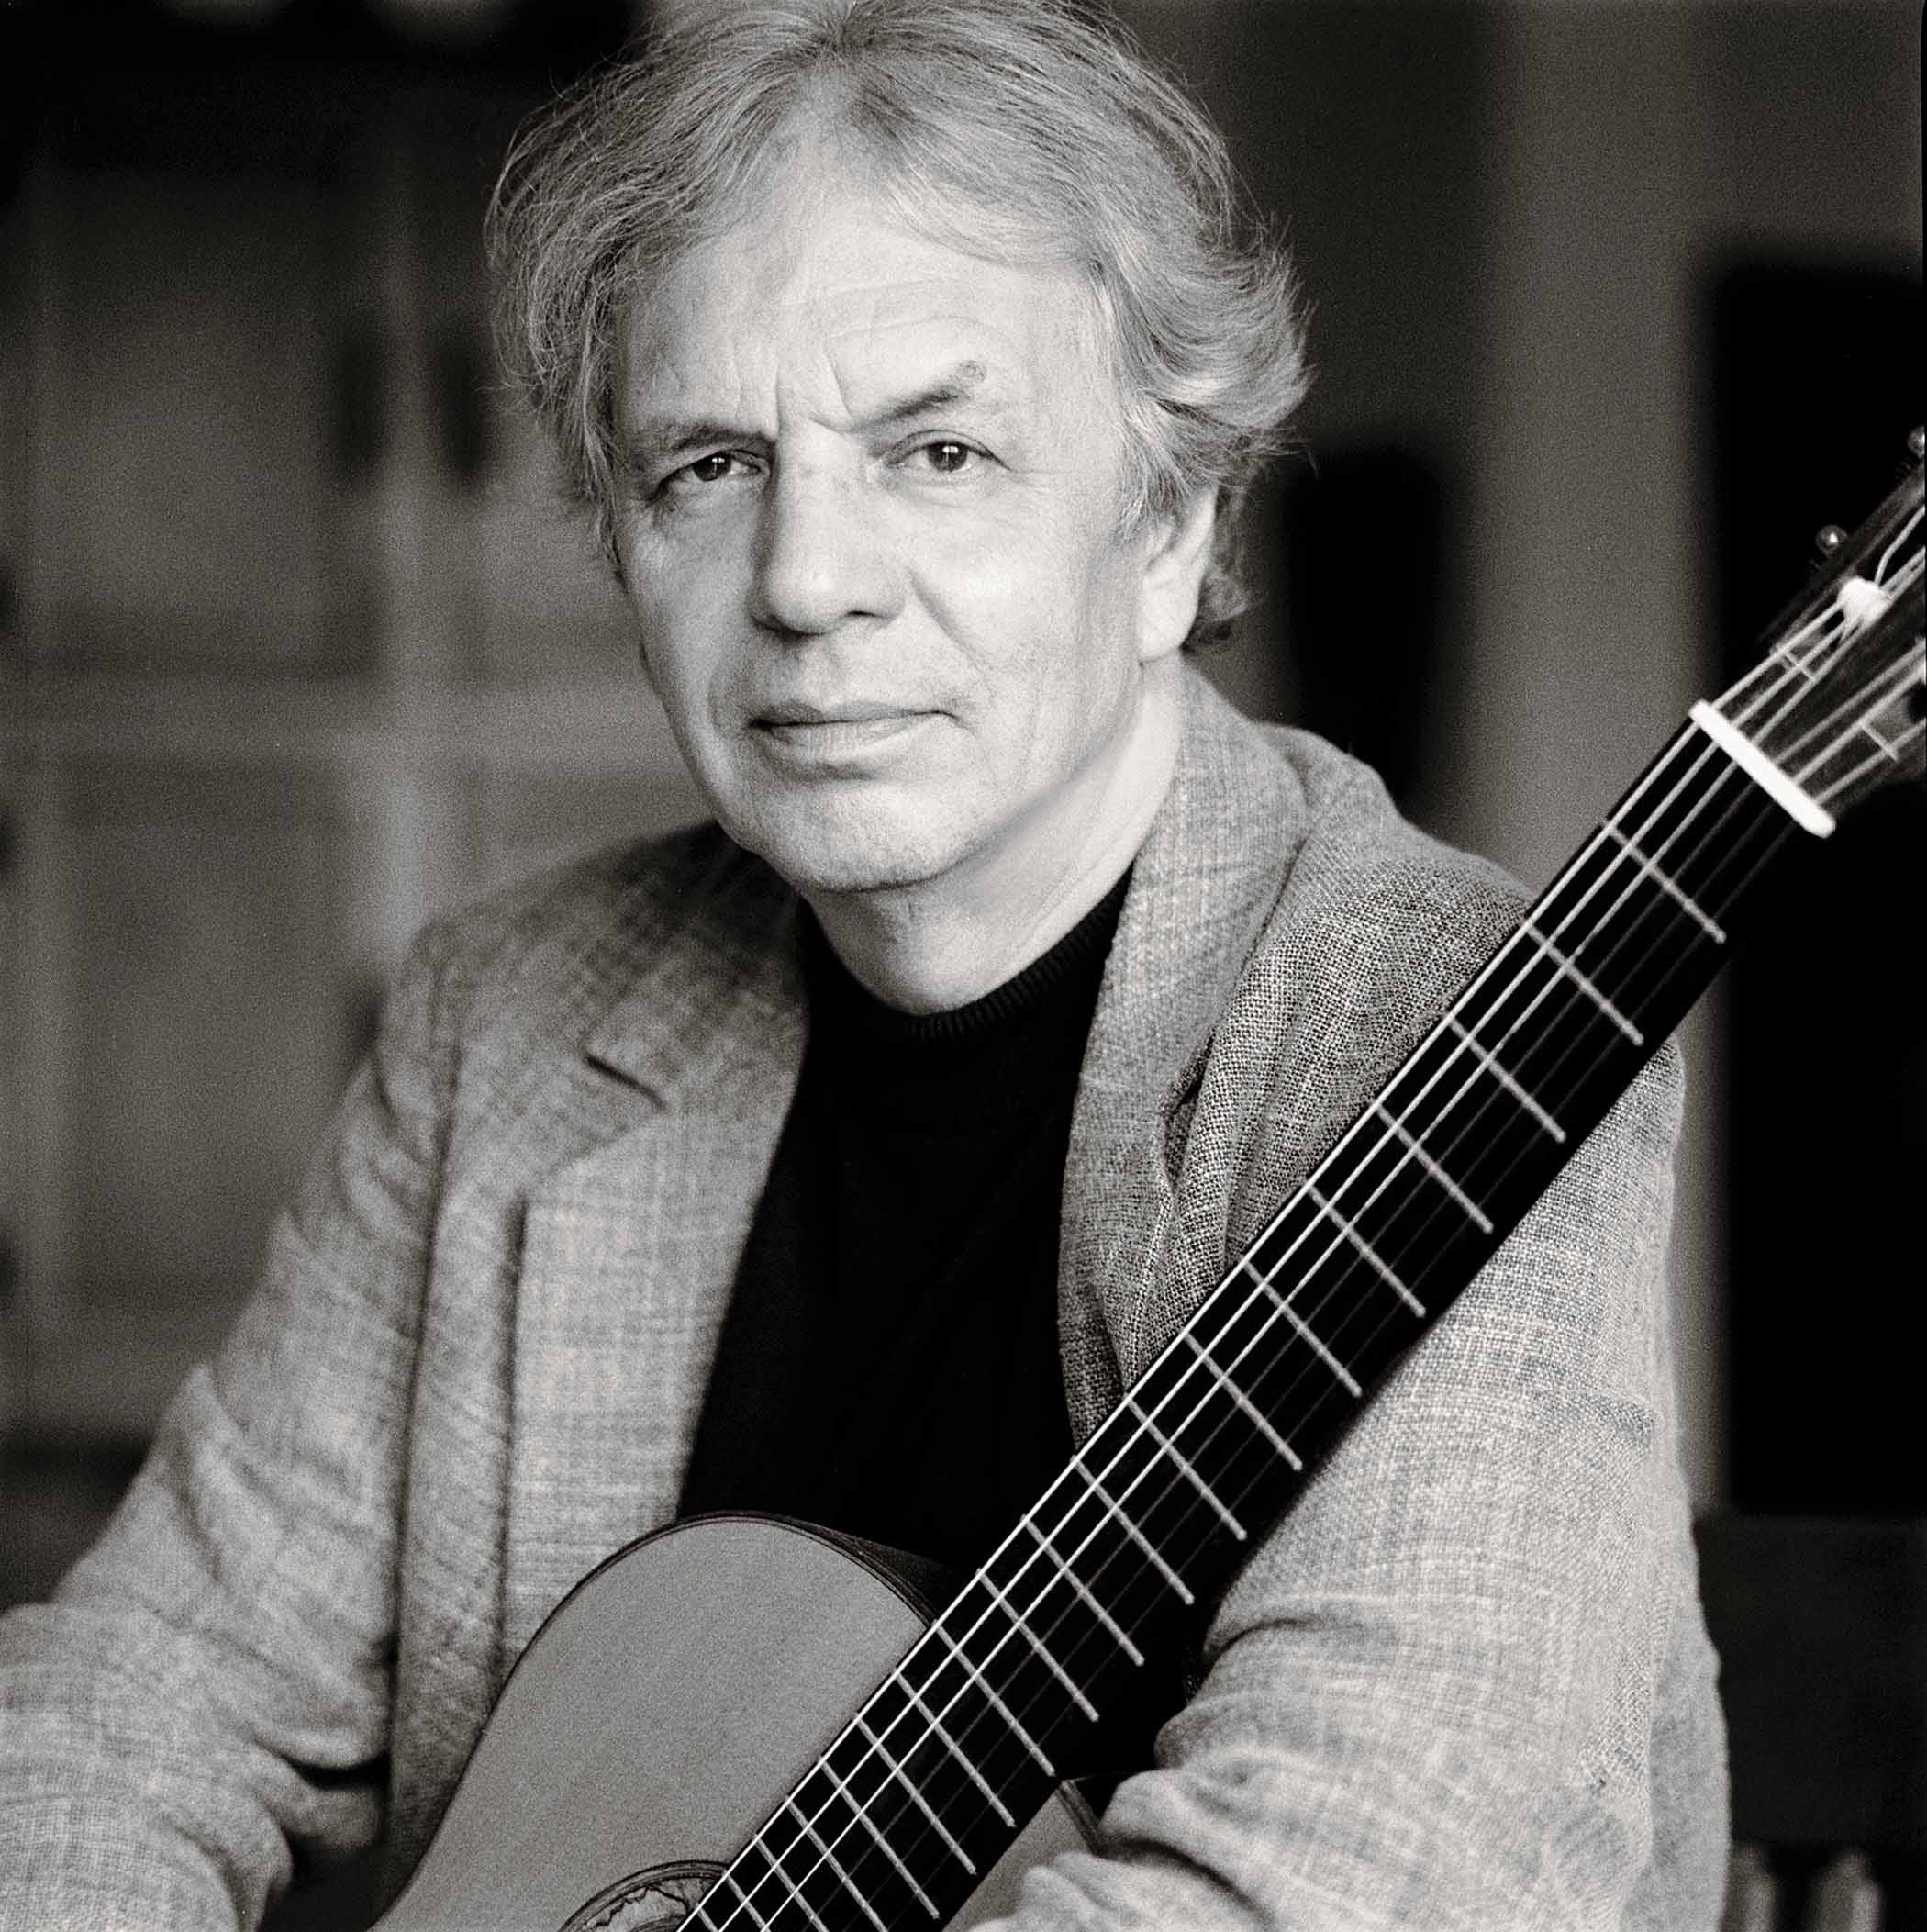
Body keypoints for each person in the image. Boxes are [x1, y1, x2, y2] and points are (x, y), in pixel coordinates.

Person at [0, 2, 1729, 1926]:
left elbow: (1350, 1880)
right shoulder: (514, 1013)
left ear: (1170, 530)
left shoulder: (1466, 1026)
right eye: (709, 467)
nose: (808, 579)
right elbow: (140, 1699)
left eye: (941, 449)